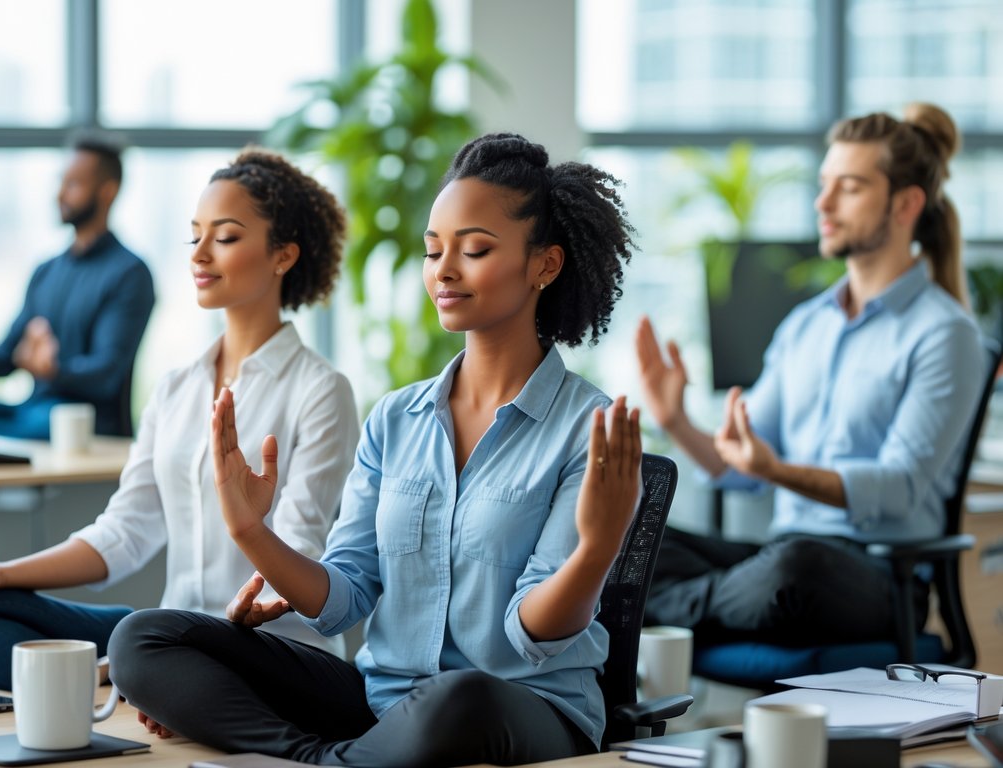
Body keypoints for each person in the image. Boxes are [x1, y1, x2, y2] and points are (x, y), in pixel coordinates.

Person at [111, 133, 642, 766]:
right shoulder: (395, 418)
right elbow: (343, 599)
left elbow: (533, 634)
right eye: (432, 250)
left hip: (520, 706)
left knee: (461, 696)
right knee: (143, 638)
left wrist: (595, 550)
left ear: (544, 265)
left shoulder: (588, 427)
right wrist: (250, 528)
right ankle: (314, 759)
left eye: (474, 250)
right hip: (381, 702)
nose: (443, 270)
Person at [0, 149, 359, 690]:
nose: (201, 255)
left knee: (142, 638)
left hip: (270, 647)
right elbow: (124, 533)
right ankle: (128, 672)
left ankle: (132, 671)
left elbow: (300, 562)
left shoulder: (320, 391)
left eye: (226, 237)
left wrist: (242, 540)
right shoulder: (175, 389)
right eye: (196, 237)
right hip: (170, 634)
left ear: (282, 255)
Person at [636, 103, 986, 648]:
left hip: (871, 576)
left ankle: (664, 612)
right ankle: (701, 604)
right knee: (629, 536)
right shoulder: (806, 326)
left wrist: (777, 471)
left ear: (905, 204)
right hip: (779, 556)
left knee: (797, 570)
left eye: (848, 187)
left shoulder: (945, 333)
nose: (822, 203)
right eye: (825, 185)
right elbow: (745, 466)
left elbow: (898, 489)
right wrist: (676, 421)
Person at [0, 137, 153, 439]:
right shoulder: (47, 271)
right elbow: (7, 355)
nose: (60, 194)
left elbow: (106, 373)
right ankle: (6, 440)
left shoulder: (129, 273)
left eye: (74, 184)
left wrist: (54, 370)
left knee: (46, 420)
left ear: (108, 191)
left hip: (82, 422)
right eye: (61, 182)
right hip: (31, 411)